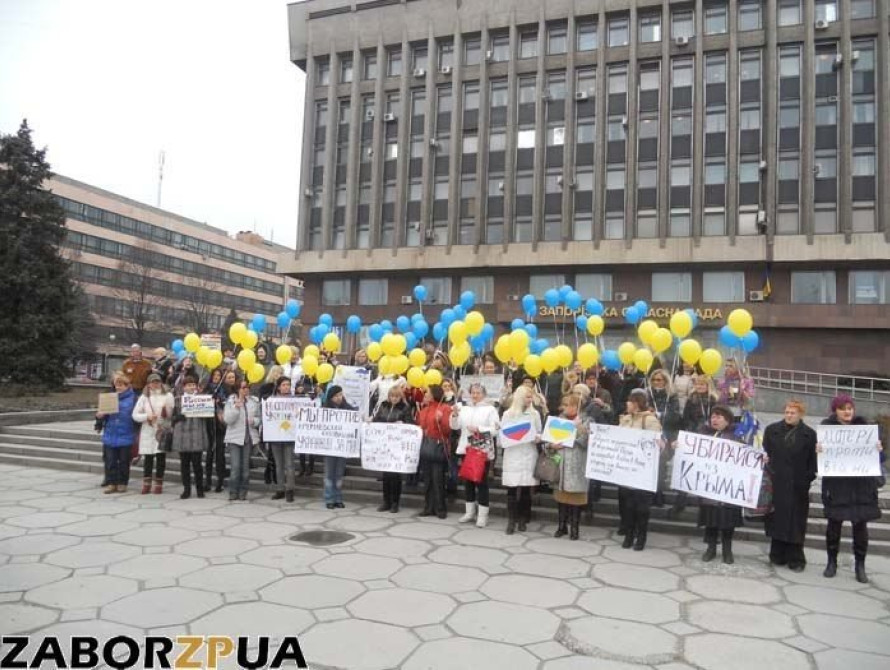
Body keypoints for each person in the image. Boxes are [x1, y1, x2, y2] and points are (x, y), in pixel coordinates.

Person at [819, 395, 884, 583]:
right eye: (842, 408)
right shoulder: (827, 431)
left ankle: (860, 565)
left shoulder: (865, 429)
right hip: (837, 486)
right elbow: (821, 461)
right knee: (834, 526)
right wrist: (820, 451)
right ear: (835, 411)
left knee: (860, 527)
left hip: (861, 486)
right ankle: (831, 562)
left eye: (849, 408)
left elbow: (879, 460)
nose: (847, 412)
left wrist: (878, 450)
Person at [763, 399, 817, 572]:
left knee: (796, 522)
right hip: (777, 483)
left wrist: (807, 479)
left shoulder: (809, 434)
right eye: (787, 412)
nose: (789, 415)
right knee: (777, 520)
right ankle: (777, 554)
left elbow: (813, 460)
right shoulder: (772, 430)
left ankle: (796, 558)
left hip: (798, 485)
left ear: (800, 414)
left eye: (793, 413)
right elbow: (765, 451)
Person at [618, 389, 663, 550]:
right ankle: (629, 534)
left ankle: (641, 536)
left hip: (643, 470)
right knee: (628, 505)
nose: (627, 404)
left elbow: (656, 442)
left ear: (636, 403)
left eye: (629, 401)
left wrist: (659, 444)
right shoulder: (625, 419)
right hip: (628, 468)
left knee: (642, 507)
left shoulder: (650, 420)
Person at [697, 406, 743, 564]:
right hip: (709, 486)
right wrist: (679, 445)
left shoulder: (736, 438)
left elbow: (747, 458)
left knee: (727, 521)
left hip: (727, 488)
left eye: (718, 417)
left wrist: (760, 458)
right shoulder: (703, 436)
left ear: (727, 421)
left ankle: (727, 550)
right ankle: (711, 548)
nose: (714, 420)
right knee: (710, 519)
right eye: (713, 417)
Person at [451, 383, 501, 528]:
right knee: (468, 482)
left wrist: (479, 428)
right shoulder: (464, 408)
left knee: (482, 483)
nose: (475, 395)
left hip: (482, 451)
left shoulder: (490, 409)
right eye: (473, 392)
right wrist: (454, 415)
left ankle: (482, 515)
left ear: (483, 395)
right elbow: (455, 426)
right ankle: (469, 512)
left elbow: (496, 429)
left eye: (478, 393)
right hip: (466, 449)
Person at [500, 387, 541, 534]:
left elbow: (539, 431)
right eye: (527, 397)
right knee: (511, 489)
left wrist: (537, 438)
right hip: (513, 454)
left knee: (525, 490)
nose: (530, 400)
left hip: (528, 454)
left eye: (531, 397)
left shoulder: (535, 414)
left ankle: (523, 519)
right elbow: (502, 435)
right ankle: (512, 520)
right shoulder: (508, 414)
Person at [550, 393, 590, 541]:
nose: (564, 408)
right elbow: (549, 440)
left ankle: (575, 528)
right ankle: (562, 526)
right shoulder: (558, 420)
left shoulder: (586, 420)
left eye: (567, 405)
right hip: (561, 464)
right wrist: (551, 445)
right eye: (564, 405)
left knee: (576, 499)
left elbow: (586, 442)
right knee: (561, 498)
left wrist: (577, 427)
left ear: (575, 406)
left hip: (577, 465)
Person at [372, 385, 414, 513]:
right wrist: (370, 423)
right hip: (385, 445)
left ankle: (395, 502)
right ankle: (386, 501)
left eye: (396, 396)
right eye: (392, 396)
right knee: (386, 475)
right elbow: (376, 420)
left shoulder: (405, 408)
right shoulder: (383, 406)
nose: (394, 398)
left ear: (400, 397)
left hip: (397, 447)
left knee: (395, 476)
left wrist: (402, 424)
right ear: (389, 396)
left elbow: (410, 425)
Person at [132, 373, 174, 495]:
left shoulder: (168, 395)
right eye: (153, 382)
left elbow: (171, 414)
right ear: (149, 384)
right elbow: (135, 415)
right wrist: (147, 416)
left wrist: (165, 414)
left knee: (161, 457)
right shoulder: (144, 397)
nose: (155, 384)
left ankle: (159, 483)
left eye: (157, 382)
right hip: (148, 430)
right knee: (148, 458)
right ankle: (146, 483)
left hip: (161, 430)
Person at [171, 373, 211, 499]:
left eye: (193, 384)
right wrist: (177, 417)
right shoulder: (178, 400)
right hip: (182, 436)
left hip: (197, 435)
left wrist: (207, 409)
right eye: (189, 385)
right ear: (184, 387)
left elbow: (209, 416)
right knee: (185, 465)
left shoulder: (202, 399)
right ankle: (186, 489)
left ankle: (200, 489)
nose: (191, 387)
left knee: (197, 465)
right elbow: (170, 417)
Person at [97, 373, 137, 494]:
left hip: (126, 433)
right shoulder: (109, 397)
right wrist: (100, 415)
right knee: (110, 461)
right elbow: (102, 416)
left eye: (121, 385)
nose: (118, 387)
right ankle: (111, 483)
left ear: (127, 386)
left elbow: (137, 415)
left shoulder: (133, 398)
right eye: (116, 385)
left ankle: (122, 483)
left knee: (124, 461)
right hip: (111, 433)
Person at [417, 385, 453, 518]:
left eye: (428, 392)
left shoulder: (445, 408)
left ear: (434, 394)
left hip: (438, 447)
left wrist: (441, 421)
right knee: (427, 480)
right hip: (426, 446)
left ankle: (440, 508)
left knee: (438, 479)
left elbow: (447, 431)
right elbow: (420, 427)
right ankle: (428, 507)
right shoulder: (423, 410)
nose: (425, 394)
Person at [648, 368, 681, 507]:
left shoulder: (672, 396)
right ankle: (650, 493)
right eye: (654, 380)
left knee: (661, 465)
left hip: (666, 433)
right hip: (650, 433)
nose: (656, 382)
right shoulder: (648, 395)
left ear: (665, 381)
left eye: (659, 380)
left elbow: (675, 416)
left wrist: (659, 414)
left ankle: (659, 494)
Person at [223, 378, 261, 501]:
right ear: (238, 389)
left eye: (247, 387)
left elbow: (259, 418)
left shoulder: (254, 401)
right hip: (234, 438)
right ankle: (233, 491)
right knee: (235, 467)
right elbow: (227, 420)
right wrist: (236, 407)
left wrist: (254, 421)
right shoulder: (230, 401)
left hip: (248, 439)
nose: (246, 390)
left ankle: (243, 491)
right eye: (243, 388)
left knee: (245, 468)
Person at [322, 384, 356, 509]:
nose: (339, 397)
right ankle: (329, 499)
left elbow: (356, 420)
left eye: (340, 395)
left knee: (339, 474)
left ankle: (338, 498)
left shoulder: (348, 408)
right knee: (329, 474)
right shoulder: (324, 409)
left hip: (342, 447)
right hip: (329, 447)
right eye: (336, 395)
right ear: (331, 397)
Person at [267, 376, 297, 502]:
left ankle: (290, 489)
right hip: (276, 437)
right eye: (284, 385)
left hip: (289, 437)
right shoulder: (271, 400)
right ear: (279, 387)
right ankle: (280, 489)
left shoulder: (295, 400)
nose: (286, 387)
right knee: (279, 465)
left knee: (289, 465)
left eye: (288, 385)